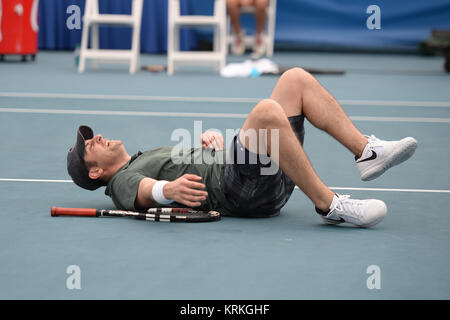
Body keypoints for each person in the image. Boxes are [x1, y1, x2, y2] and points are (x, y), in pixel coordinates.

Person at [67, 68, 418, 228]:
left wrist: (210, 149)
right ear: (96, 171)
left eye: (93, 135)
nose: (97, 138)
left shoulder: (141, 157)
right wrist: (165, 191)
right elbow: (142, 192)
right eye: (90, 146)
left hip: (250, 175)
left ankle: (367, 152)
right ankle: (329, 204)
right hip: (238, 192)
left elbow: (173, 171)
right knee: (266, 111)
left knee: (293, 79)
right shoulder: (120, 181)